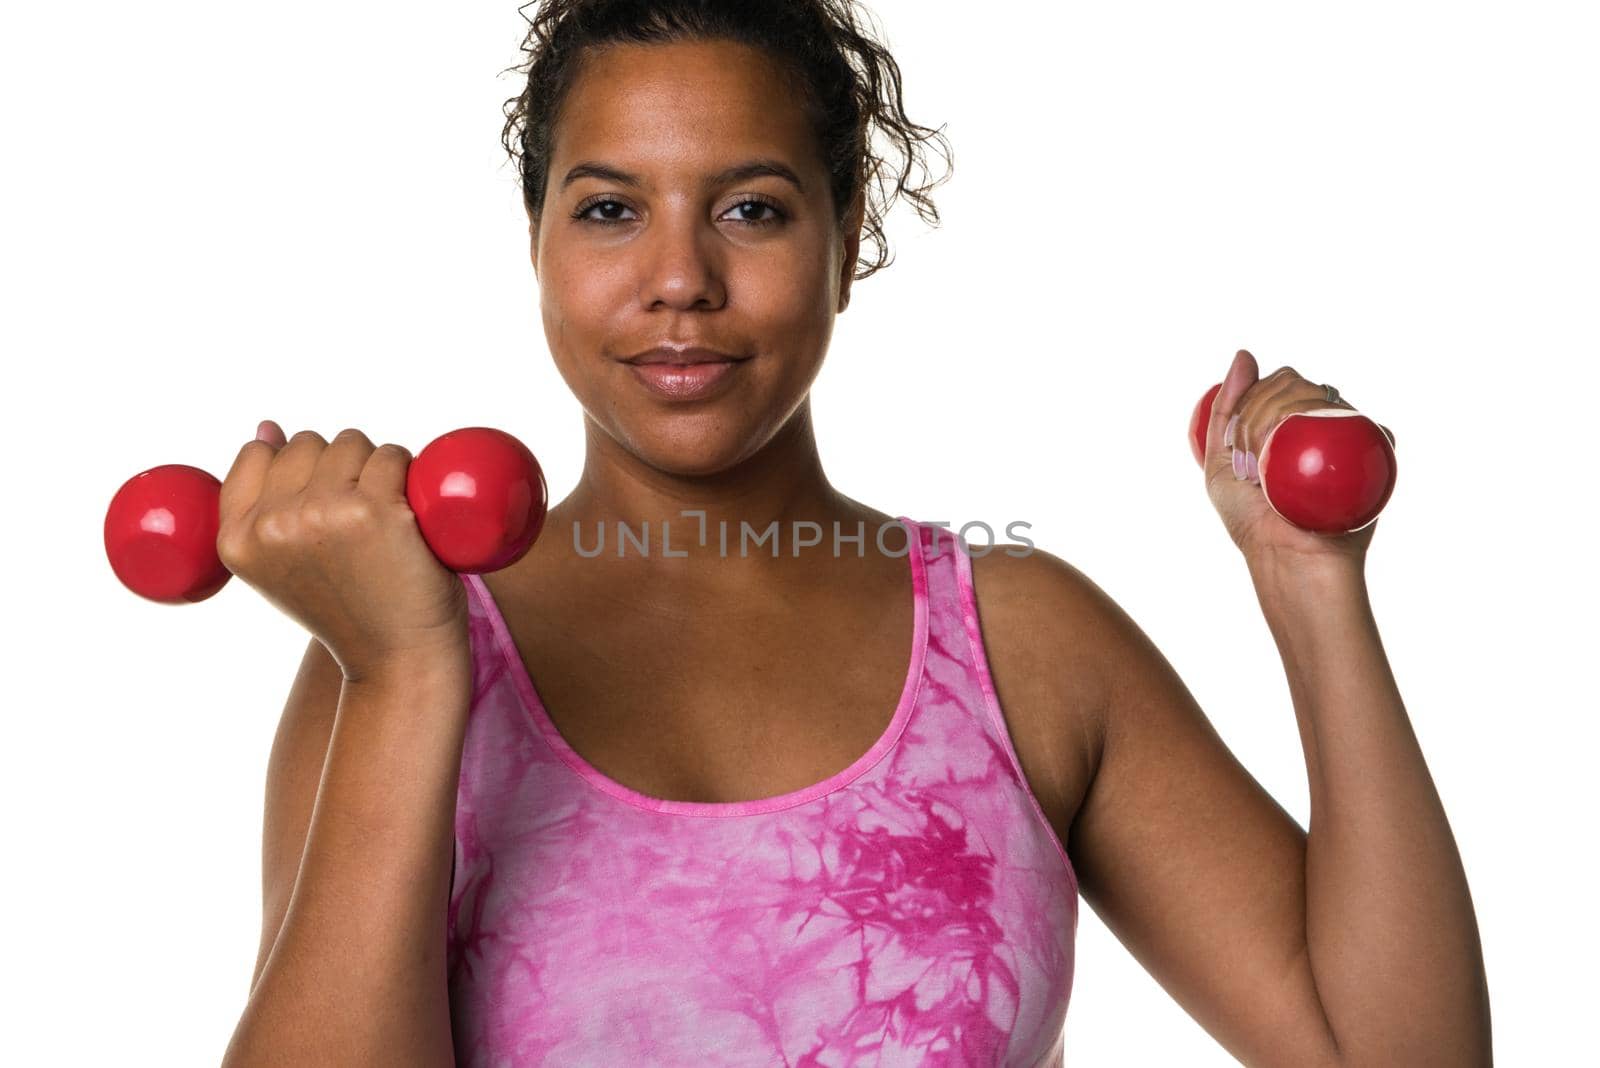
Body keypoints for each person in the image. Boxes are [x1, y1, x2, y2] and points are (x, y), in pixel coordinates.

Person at [218, 1, 1491, 1065]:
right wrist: (399, 678)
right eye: (609, 209)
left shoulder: (1023, 644)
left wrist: (1310, 583)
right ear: (538, 243)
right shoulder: (394, 661)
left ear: (851, 238)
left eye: (752, 210)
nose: (679, 278)